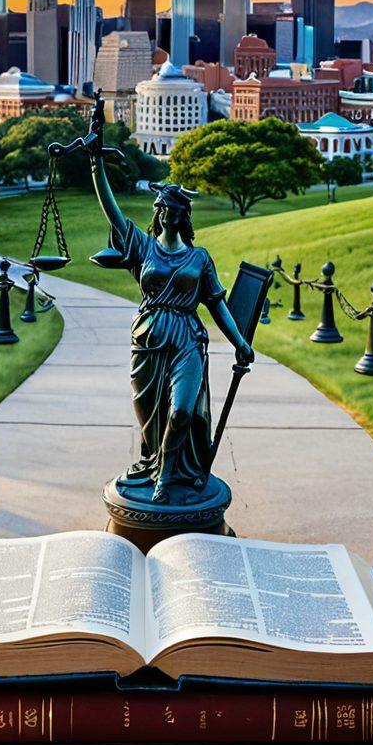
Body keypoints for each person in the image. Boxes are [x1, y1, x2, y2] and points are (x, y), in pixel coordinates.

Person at [88, 141, 253, 505]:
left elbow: (216, 304)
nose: (166, 213)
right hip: (148, 340)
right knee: (151, 421)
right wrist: (96, 163)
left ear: (184, 214)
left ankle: (166, 476)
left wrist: (239, 341)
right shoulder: (143, 247)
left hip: (187, 340)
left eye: (173, 209)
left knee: (181, 411)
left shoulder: (199, 257)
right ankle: (156, 463)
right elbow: (112, 213)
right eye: (161, 208)